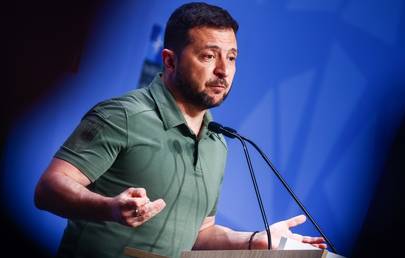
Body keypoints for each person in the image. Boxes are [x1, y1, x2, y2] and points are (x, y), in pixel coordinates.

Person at [34, 2, 327, 258]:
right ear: (170, 61)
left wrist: (256, 241)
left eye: (232, 57)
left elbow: (199, 235)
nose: (224, 71)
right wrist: (109, 207)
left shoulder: (216, 143)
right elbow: (48, 189)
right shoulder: (124, 115)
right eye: (209, 56)